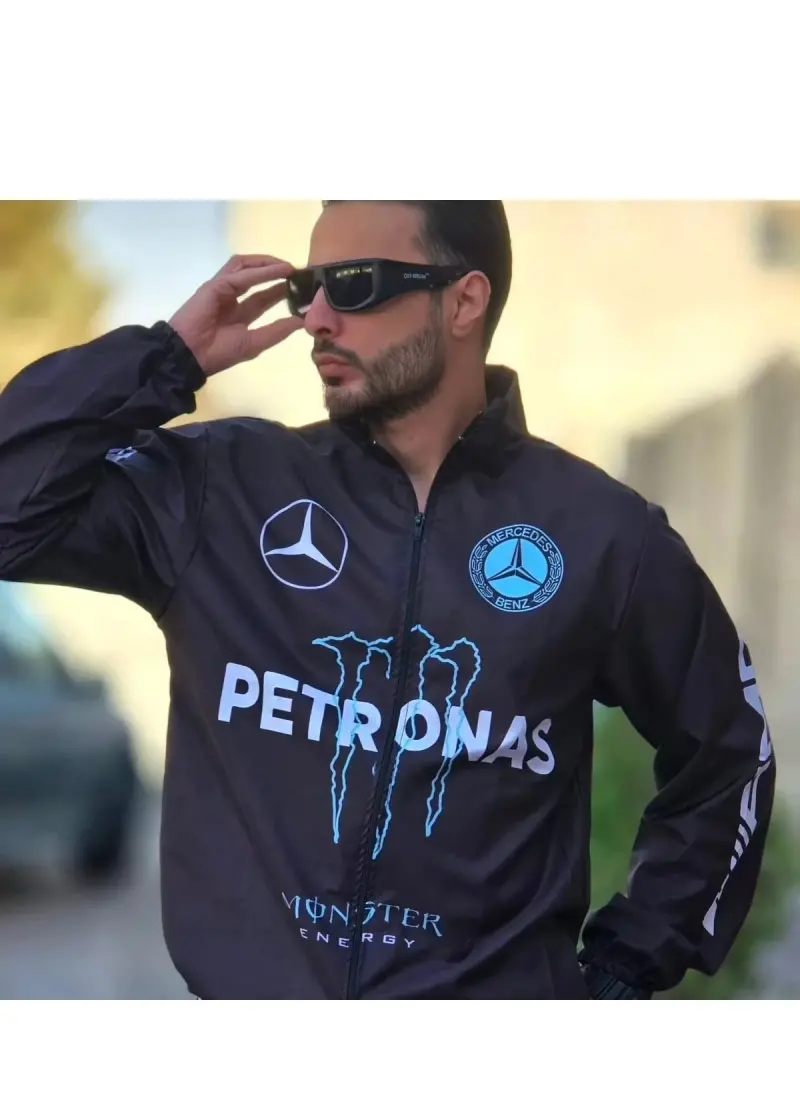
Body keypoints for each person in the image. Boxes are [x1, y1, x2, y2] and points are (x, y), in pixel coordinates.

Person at [0, 200, 776, 1000]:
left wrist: (628, 966)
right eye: (306, 289)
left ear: (464, 301)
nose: (316, 319)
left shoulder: (599, 534)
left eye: (354, 285)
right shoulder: (222, 492)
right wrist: (167, 356)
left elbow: (729, 752)